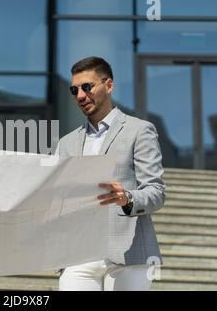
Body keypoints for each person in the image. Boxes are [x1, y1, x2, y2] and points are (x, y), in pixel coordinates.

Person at [57, 56, 165, 291]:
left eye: (87, 87)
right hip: (79, 252)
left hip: (129, 252)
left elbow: (156, 193)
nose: (80, 95)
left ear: (109, 85)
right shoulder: (66, 144)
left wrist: (127, 198)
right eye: (74, 90)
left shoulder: (140, 130)